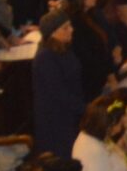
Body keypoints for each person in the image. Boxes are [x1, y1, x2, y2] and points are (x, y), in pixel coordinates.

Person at [30, 9, 88, 157]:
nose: (71, 30)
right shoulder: (45, 58)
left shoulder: (64, 48)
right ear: (53, 33)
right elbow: (58, 93)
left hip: (71, 112)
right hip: (56, 121)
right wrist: (84, 109)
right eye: (66, 27)